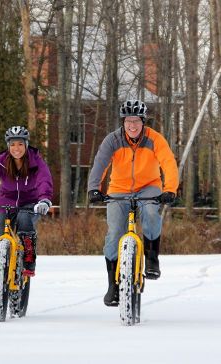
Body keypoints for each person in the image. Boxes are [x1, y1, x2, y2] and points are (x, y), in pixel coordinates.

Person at [87, 99, 179, 307]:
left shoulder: (155, 139)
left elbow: (169, 163)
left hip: (149, 186)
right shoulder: (112, 140)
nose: (132, 125)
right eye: (128, 121)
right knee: (113, 235)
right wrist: (94, 188)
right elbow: (100, 163)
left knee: (151, 214)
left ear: (143, 121)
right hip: (118, 189)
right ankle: (112, 285)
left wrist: (170, 189)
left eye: (136, 121)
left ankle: (152, 258)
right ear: (123, 122)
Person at [0, 126, 53, 302]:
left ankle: (29, 256)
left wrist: (44, 200)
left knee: (24, 220)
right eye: (13, 144)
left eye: (20, 144)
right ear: (8, 146)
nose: (16, 148)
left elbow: (44, 179)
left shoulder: (36, 160)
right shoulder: (2, 160)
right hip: (6, 203)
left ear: (26, 145)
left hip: (30, 203)